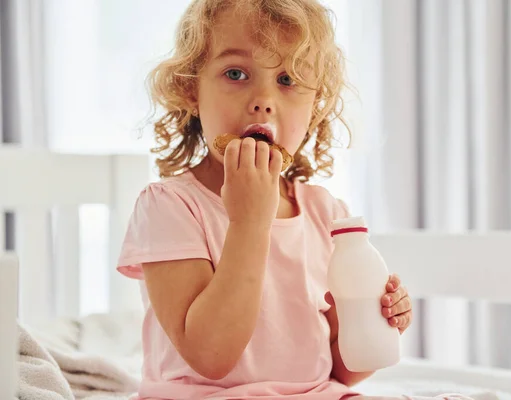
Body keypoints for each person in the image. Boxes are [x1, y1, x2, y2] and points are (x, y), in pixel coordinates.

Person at [117, 1, 472, 399]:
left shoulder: (327, 215)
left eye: (288, 80)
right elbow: (210, 355)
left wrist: (376, 325)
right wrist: (250, 222)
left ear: (315, 104)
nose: (264, 100)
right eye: (236, 73)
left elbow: (343, 369)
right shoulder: (168, 206)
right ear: (190, 88)